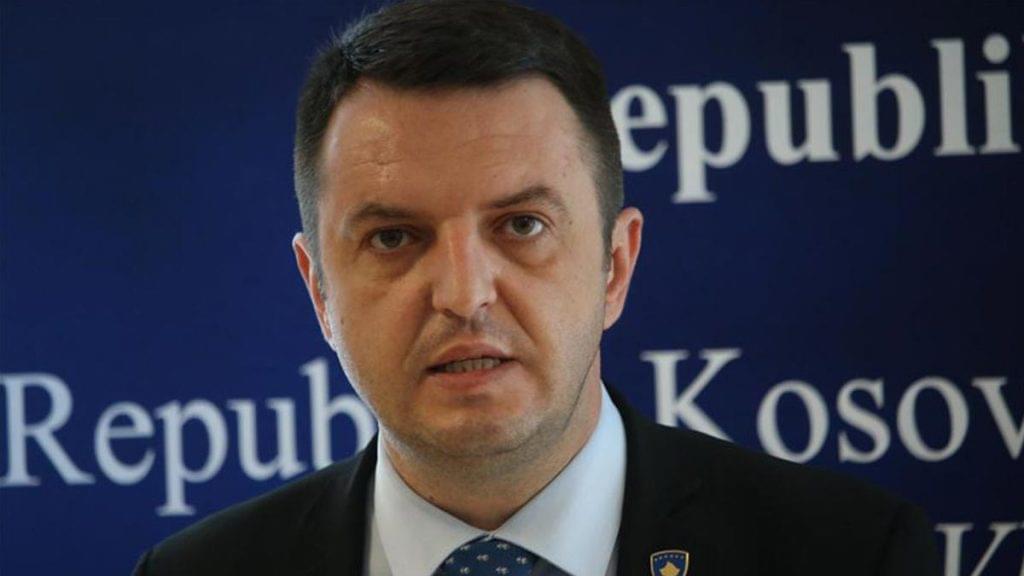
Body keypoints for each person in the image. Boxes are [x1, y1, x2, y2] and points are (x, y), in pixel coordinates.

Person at [133, 1, 940, 574]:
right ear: (320, 294)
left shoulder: (852, 554)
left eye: (520, 225)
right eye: (394, 237)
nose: (464, 294)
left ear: (615, 266)